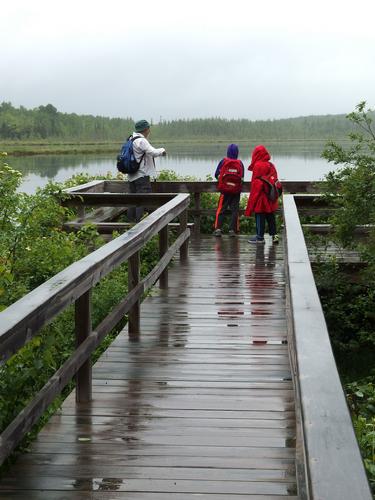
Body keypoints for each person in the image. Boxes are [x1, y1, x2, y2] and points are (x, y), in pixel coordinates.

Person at [127, 120, 166, 222]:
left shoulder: (131, 138)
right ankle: (139, 226)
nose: (150, 130)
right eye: (149, 128)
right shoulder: (141, 141)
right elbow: (153, 152)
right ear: (146, 129)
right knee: (142, 200)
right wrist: (162, 150)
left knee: (132, 200)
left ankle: (130, 224)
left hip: (131, 176)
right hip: (141, 176)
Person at [244, 144, 280, 244]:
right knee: (270, 216)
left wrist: (250, 206)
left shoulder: (258, 166)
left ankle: (260, 237)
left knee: (260, 216)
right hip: (271, 196)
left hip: (261, 197)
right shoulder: (271, 165)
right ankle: (275, 236)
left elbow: (256, 186)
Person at [213, 144, 244, 237]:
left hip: (224, 191)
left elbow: (216, 174)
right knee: (235, 210)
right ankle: (232, 230)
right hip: (236, 191)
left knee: (221, 209)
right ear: (237, 152)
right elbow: (242, 178)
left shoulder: (223, 161)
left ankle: (218, 229)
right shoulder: (240, 163)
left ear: (227, 152)